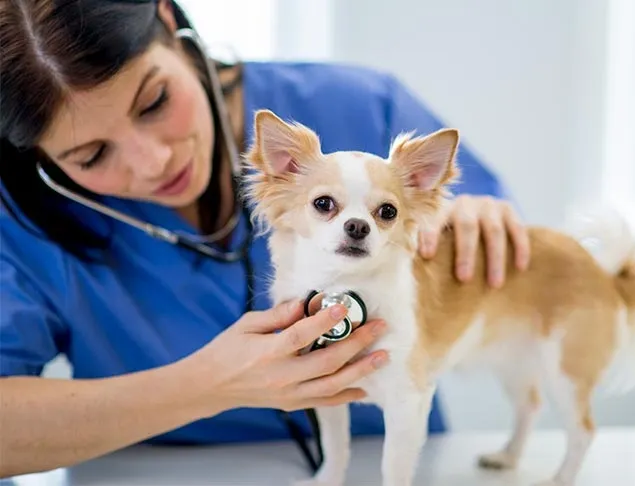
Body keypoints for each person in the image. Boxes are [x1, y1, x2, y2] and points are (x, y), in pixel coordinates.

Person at [0, 0, 532, 479]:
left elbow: (494, 247)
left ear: (168, 19)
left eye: (155, 100)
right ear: (40, 159)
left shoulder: (362, 105)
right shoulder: (21, 226)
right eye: (91, 155)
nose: (153, 161)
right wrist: (202, 387)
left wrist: (485, 222)